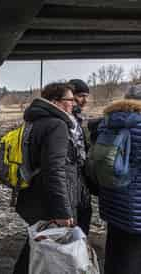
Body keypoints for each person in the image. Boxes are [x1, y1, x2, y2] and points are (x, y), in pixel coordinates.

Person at [13, 83, 80, 274]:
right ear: (55, 102)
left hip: (33, 195)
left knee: (36, 247)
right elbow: (54, 170)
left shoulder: (33, 122)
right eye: (69, 100)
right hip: (49, 202)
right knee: (46, 253)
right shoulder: (57, 125)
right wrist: (63, 211)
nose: (73, 104)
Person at [96, 84, 141, 274]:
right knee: (134, 255)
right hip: (136, 204)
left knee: (116, 249)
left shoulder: (107, 121)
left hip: (113, 198)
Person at [68, 79, 94, 236]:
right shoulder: (66, 119)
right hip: (72, 178)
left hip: (78, 178)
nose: (85, 100)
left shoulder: (77, 117)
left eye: (86, 96)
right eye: (81, 95)